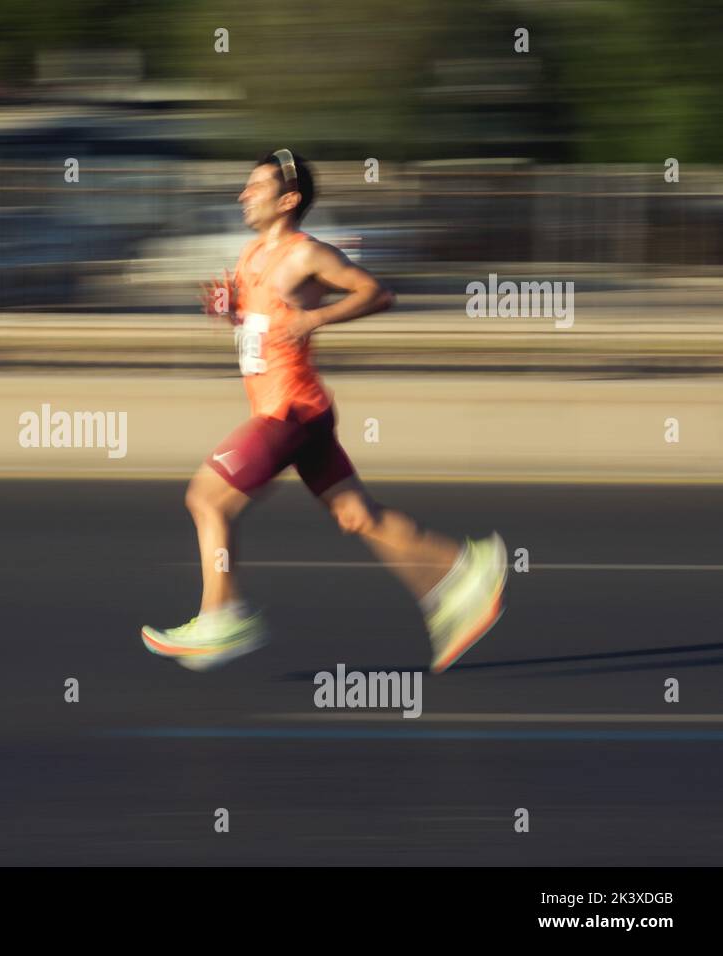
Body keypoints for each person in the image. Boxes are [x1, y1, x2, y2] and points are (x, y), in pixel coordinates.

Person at [141, 148, 506, 673]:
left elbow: (377, 293)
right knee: (358, 516)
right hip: (302, 413)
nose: (244, 194)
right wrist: (227, 311)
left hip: (287, 412)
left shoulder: (306, 254)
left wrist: (317, 320)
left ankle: (222, 616)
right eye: (245, 186)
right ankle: (464, 571)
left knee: (205, 498)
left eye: (256, 187)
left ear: (288, 199)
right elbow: (259, 324)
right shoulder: (250, 256)